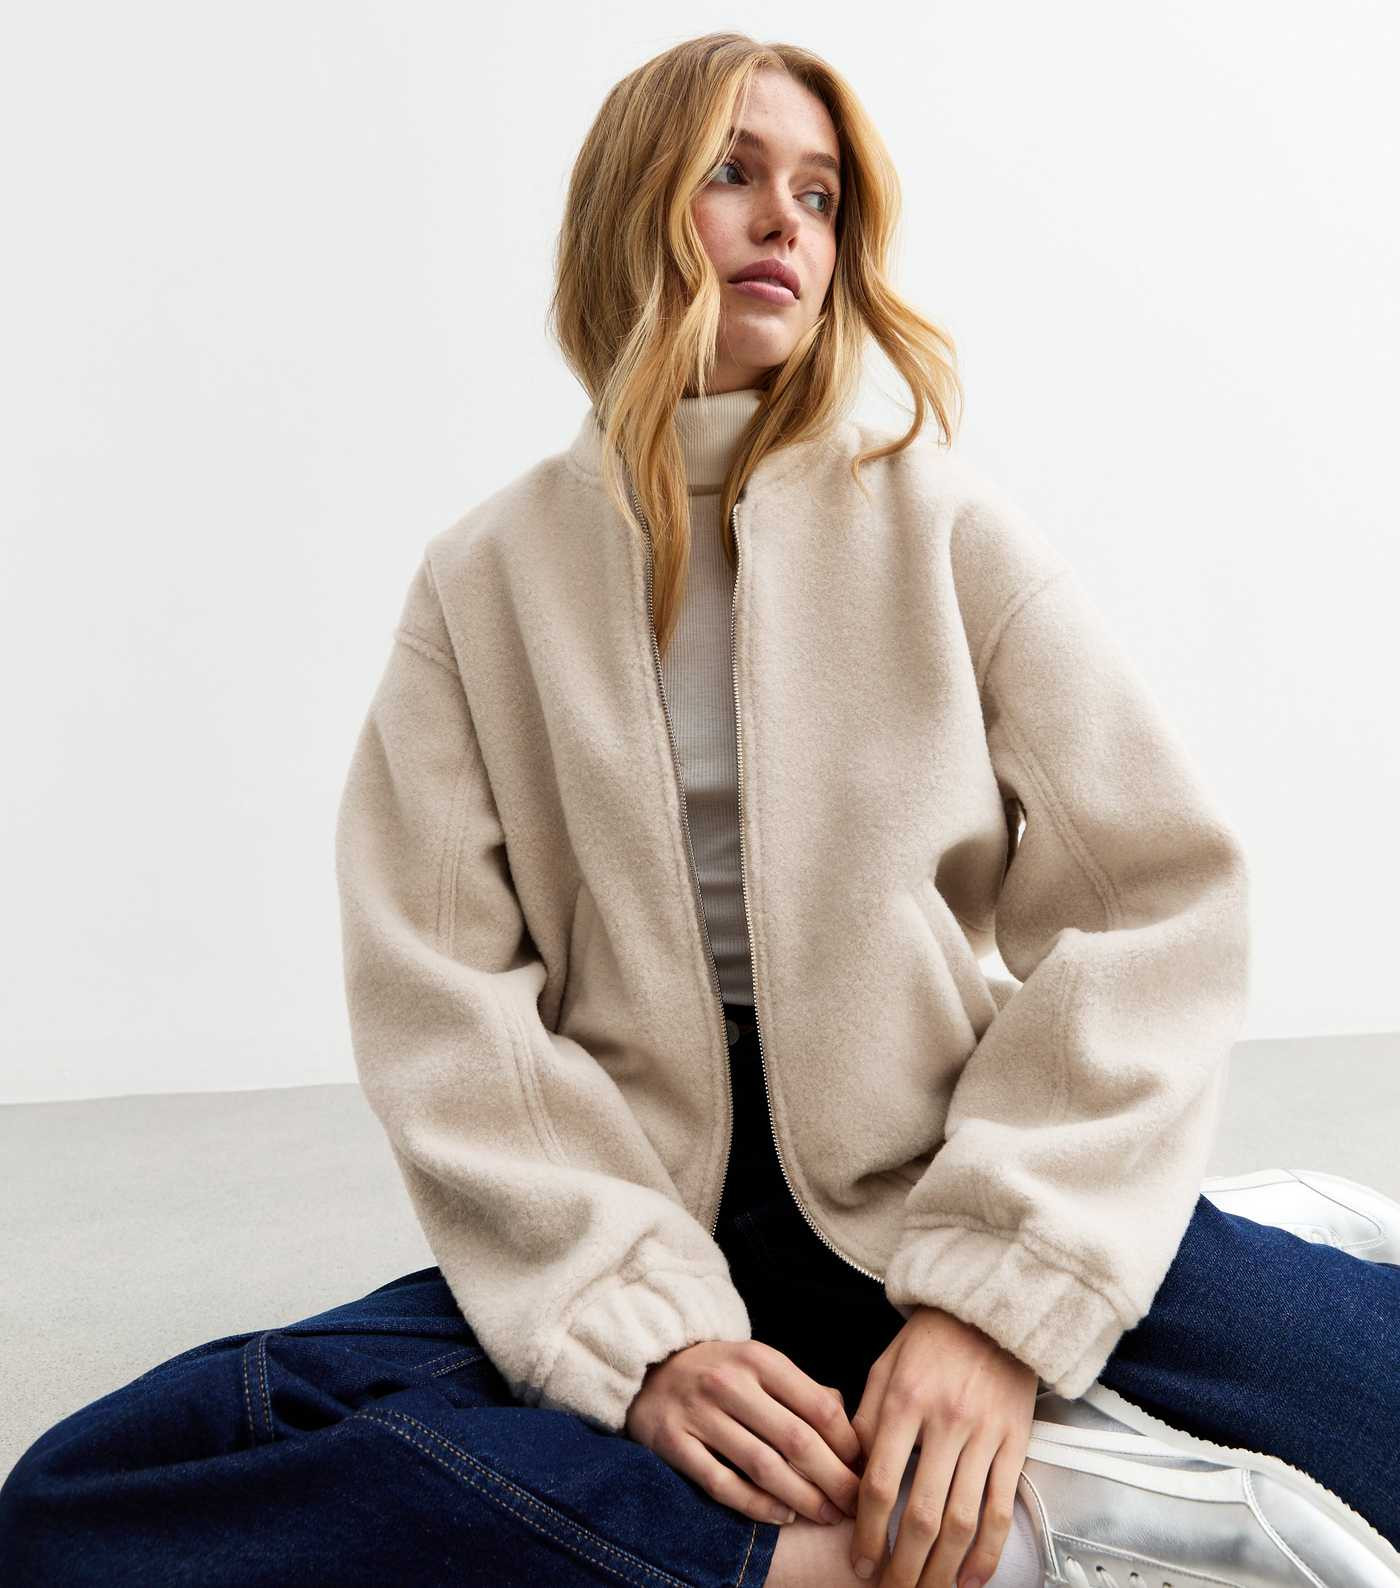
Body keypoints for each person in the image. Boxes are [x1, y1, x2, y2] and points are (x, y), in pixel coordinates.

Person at [4, 30, 1400, 1588]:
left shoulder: (940, 525)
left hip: (940, 1181)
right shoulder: (486, 583)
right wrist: (640, 1336)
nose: (784, 219)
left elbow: (1157, 901)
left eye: (819, 193)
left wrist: (998, 1307)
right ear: (635, 206)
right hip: (639, 1212)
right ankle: (850, 1559)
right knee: (90, 1498)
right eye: (734, 172)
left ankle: (774, 1519)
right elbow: (445, 1006)